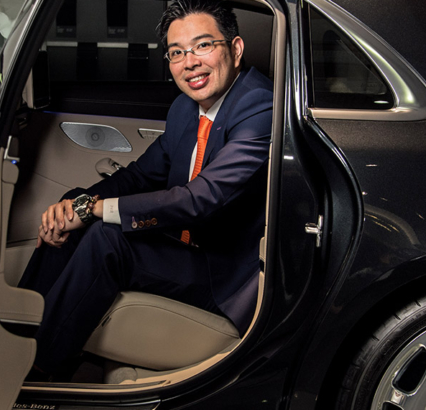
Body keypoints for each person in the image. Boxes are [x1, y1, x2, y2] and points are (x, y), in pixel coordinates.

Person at [19, 0, 273, 375]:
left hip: (222, 273)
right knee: (73, 204)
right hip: (180, 247)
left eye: (203, 46)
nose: (189, 62)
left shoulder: (259, 107)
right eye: (177, 52)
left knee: (107, 236)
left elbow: (201, 199)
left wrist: (93, 211)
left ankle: (37, 370)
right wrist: (80, 203)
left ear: (235, 49)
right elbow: (140, 175)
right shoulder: (185, 108)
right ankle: (16, 335)